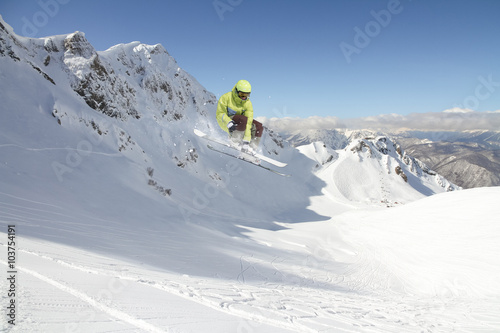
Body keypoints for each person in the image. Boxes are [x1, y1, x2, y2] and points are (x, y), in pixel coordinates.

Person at [216, 80, 263, 153]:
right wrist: (228, 122)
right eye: (242, 94)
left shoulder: (248, 103)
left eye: (246, 95)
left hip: (241, 123)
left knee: (258, 126)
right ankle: (235, 141)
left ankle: (251, 148)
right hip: (225, 122)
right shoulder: (226, 97)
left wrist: (246, 141)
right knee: (243, 120)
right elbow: (220, 113)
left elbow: (248, 123)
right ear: (236, 91)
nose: (244, 97)